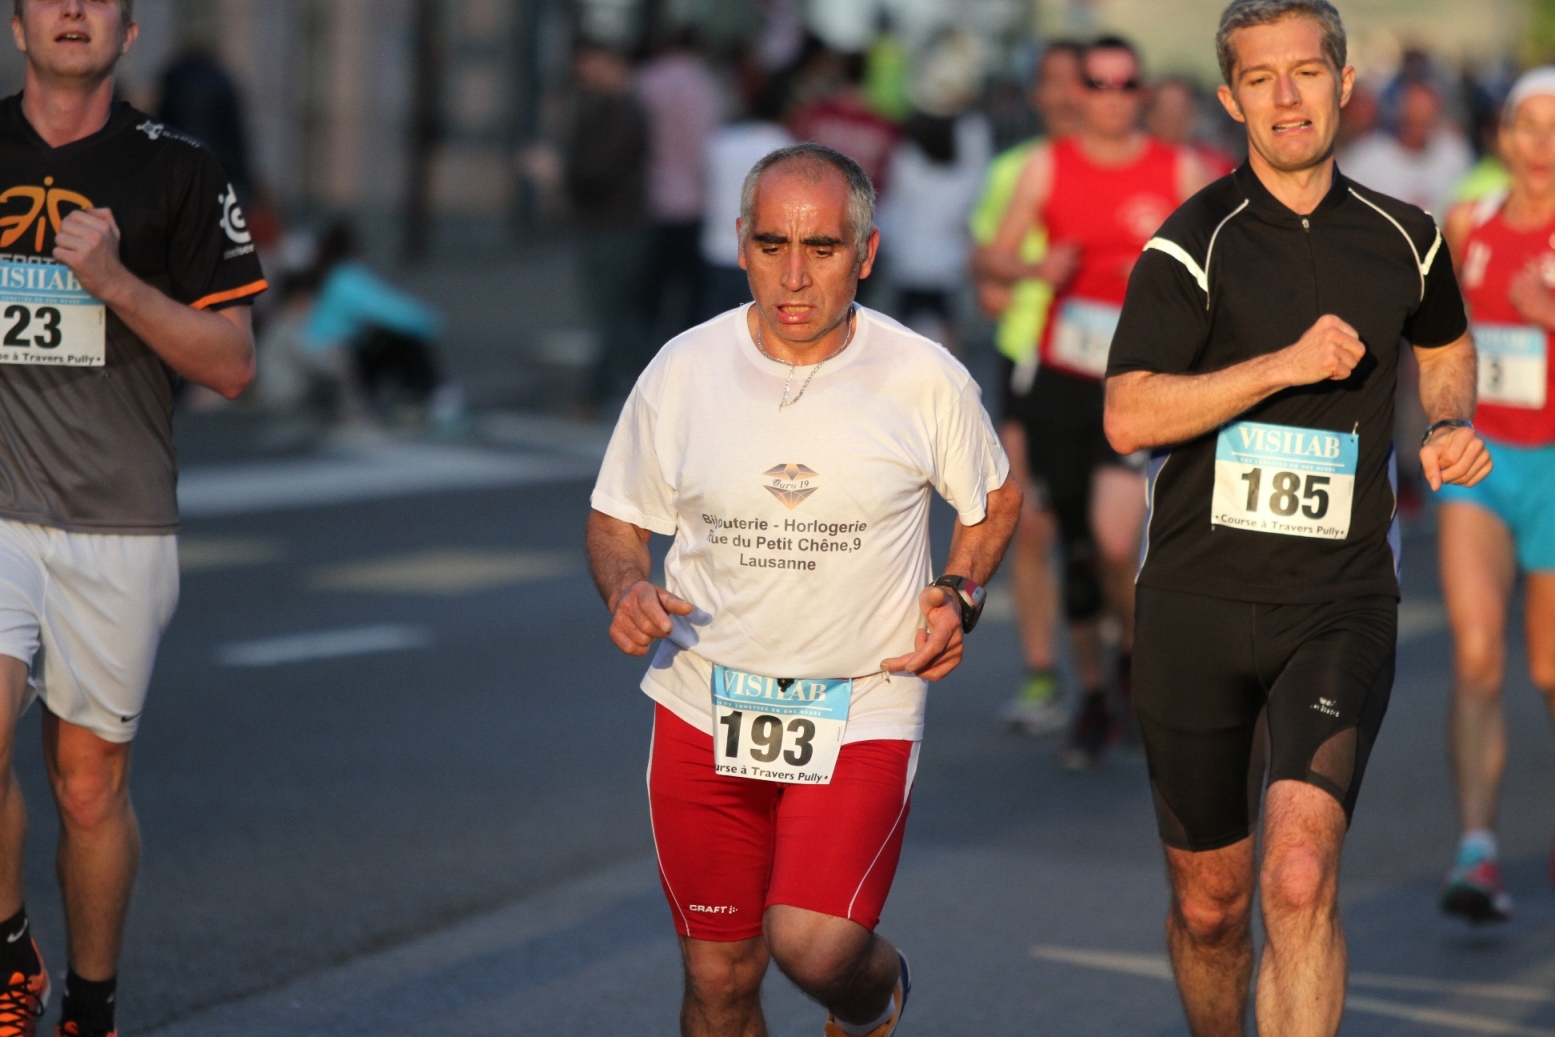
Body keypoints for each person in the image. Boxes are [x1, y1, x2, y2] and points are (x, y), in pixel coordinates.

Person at [1104, 2, 1489, 1034]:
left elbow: (1445, 344)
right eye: (1259, 78)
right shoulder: (1190, 244)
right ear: (1229, 99)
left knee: (1299, 872)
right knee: (1211, 905)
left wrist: (1449, 419)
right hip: (1195, 599)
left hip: (1337, 599)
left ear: (1344, 83)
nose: (1285, 98)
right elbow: (1128, 412)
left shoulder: (1406, 236)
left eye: (1305, 73)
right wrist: (1279, 364)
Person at [586, 142, 1019, 1037]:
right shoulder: (682, 368)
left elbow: (993, 499)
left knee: (815, 947)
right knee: (717, 977)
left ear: (863, 253)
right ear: (739, 242)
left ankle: (871, 999)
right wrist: (627, 588)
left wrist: (959, 592)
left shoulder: (921, 375)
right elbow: (618, 517)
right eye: (771, 245)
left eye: (821, 248)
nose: (792, 276)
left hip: (860, 701)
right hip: (704, 700)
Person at [0, 1, 267, 1034]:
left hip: (118, 518)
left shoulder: (180, 171)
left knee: (86, 785)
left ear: (130, 30)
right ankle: (10, 954)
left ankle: (92, 1004)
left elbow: (232, 365)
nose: (73, 10)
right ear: (18, 26)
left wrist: (112, 282)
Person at [984, 36, 1211, 766]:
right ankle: (1089, 695)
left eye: (1124, 83)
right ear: (1077, 92)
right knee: (1075, 549)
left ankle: (1134, 658)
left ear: (1140, 92)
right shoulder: (1046, 166)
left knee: (1117, 542)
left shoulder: (1176, 168)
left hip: (1138, 383)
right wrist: (1034, 269)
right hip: (1061, 378)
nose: (1112, 97)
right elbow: (988, 258)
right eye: (1097, 83)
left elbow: (1223, 261)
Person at [1435, 68, 1555, 924]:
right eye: (1526, 126)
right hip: (1480, 463)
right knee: (1476, 655)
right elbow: (1433, 338)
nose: (1541, 145)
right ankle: (1475, 848)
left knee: (1549, 668)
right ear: (1501, 136)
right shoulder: (1466, 221)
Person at [967, 39, 1084, 734]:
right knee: (1029, 522)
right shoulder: (1014, 170)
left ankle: (1122, 666)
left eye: (1079, 81)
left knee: (1110, 533)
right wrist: (1013, 278)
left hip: (1114, 369)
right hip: (1028, 357)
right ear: (1037, 94)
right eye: (1053, 82)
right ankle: (1042, 674)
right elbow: (985, 267)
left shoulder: (1140, 165)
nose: (1066, 95)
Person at [878, 30, 991, 352]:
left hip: (911, 256)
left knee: (906, 339)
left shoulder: (911, 138)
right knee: (943, 347)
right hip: (945, 259)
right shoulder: (971, 133)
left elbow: (896, 197)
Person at [564, 41, 651, 407]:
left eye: (590, 65)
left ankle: (601, 390)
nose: (584, 74)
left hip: (614, 224)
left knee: (611, 315)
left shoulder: (624, 111)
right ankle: (616, 386)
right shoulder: (612, 108)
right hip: (613, 221)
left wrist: (560, 171)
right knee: (617, 314)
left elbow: (597, 170)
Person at [636, 30, 722, 343]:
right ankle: (686, 348)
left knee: (649, 288)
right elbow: (706, 145)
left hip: (651, 197)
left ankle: (643, 350)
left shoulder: (645, 81)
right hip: (695, 200)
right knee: (692, 289)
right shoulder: (703, 83)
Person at [698, 79, 793, 321]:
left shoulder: (722, 141)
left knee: (714, 325)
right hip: (766, 257)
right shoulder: (789, 150)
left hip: (717, 247)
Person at [1342, 77, 1473, 219]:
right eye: (1414, 116)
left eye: (1427, 116)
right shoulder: (1366, 158)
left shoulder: (1454, 154)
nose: (1419, 124)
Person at [1148, 78, 1237, 178]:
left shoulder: (1217, 164)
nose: (1174, 117)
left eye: (1181, 109)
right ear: (1151, 115)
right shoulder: (1137, 161)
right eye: (1167, 110)